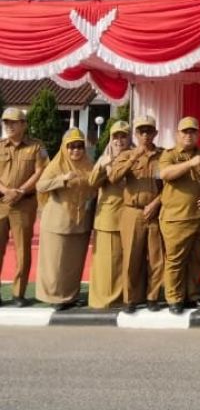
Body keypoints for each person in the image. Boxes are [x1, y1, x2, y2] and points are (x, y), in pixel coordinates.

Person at [157, 117, 200, 314]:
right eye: (185, 132)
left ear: (198, 134)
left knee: (197, 259)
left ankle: (193, 295)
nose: (188, 135)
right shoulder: (169, 154)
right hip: (176, 217)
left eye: (192, 132)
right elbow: (165, 174)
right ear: (177, 134)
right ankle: (174, 298)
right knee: (175, 260)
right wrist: (190, 163)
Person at [35, 128, 96, 309]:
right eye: (71, 147)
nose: (75, 150)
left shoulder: (88, 164)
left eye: (79, 146)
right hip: (58, 222)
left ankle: (70, 296)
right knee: (56, 263)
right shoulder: (57, 165)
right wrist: (62, 179)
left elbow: (94, 185)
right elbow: (41, 185)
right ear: (64, 148)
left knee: (74, 263)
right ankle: (55, 298)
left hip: (80, 222)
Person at [109, 115, 165, 312]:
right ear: (136, 134)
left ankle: (152, 297)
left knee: (156, 257)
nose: (145, 135)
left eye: (149, 131)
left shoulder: (163, 156)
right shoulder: (126, 155)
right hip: (132, 211)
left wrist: (157, 203)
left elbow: (170, 185)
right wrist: (134, 157)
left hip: (155, 211)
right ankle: (130, 298)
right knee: (132, 256)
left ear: (155, 133)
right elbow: (114, 177)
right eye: (141, 131)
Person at [0, 107, 48, 307]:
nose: (9, 126)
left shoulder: (36, 147)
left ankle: (19, 294)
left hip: (25, 203)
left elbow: (41, 170)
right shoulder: (0, 146)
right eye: (6, 122)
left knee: (22, 250)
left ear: (23, 125)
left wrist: (20, 191)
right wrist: (6, 191)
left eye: (14, 122)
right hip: (2, 203)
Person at [88, 120, 132, 309]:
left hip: (130, 216)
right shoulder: (105, 158)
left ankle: (126, 297)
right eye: (116, 136)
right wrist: (101, 167)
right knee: (107, 263)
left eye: (123, 136)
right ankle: (104, 299)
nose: (119, 141)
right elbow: (92, 183)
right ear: (110, 139)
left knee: (128, 261)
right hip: (108, 218)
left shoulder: (135, 157)